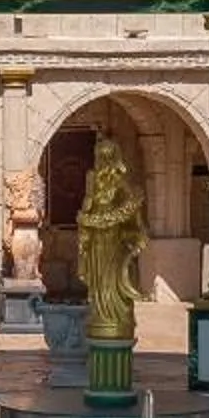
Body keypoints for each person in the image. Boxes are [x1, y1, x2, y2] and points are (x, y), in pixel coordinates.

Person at [73, 134, 147, 348]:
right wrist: (85, 223)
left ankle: (116, 319)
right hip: (97, 241)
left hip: (115, 241)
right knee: (98, 284)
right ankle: (101, 316)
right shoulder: (92, 180)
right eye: (100, 156)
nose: (103, 161)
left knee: (112, 283)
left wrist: (130, 223)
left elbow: (132, 212)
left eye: (107, 156)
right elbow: (88, 207)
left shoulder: (121, 181)